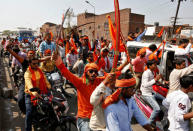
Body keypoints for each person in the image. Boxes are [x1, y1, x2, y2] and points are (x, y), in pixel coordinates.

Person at [52, 48, 127, 131]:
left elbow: (113, 75)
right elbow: (67, 74)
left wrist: (126, 63)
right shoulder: (80, 82)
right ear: (86, 72)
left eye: (95, 72)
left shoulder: (99, 80)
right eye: (91, 71)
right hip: (84, 119)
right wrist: (59, 63)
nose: (94, 73)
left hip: (98, 116)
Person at [24, 57, 51, 131]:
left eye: (37, 63)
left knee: (51, 106)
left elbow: (45, 79)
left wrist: (49, 87)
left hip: (42, 92)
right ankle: (28, 129)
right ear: (30, 64)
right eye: (34, 64)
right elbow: (29, 84)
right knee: (29, 112)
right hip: (30, 94)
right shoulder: (27, 73)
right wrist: (33, 92)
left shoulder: (40, 70)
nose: (36, 65)